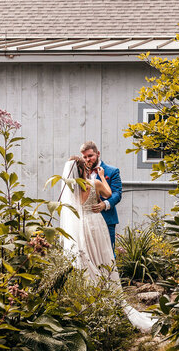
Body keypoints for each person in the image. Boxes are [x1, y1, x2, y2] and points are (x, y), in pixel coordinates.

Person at [59, 154, 155, 333]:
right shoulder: (92, 184)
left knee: (86, 260)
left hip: (80, 227)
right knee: (102, 259)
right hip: (95, 224)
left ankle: (88, 301)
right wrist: (102, 176)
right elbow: (109, 194)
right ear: (81, 169)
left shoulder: (69, 188)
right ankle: (108, 295)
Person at [80, 141, 121, 252]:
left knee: (108, 253)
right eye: (85, 157)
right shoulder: (79, 172)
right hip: (87, 221)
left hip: (107, 218)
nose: (88, 159)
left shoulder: (112, 171)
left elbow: (117, 194)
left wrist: (104, 204)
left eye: (90, 156)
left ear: (98, 153)